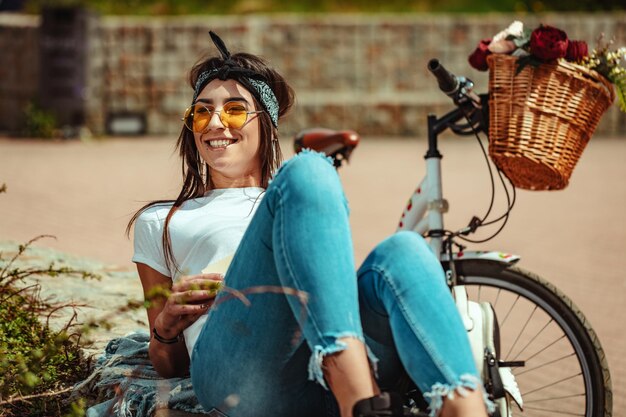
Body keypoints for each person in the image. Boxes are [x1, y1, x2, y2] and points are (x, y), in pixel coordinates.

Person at [129, 31, 492, 417]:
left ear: (264, 122)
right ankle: (352, 386)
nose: (215, 123)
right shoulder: (160, 221)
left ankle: (461, 404)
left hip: (326, 370)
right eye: (201, 111)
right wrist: (167, 325)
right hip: (242, 373)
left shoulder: (293, 197)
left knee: (404, 250)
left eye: (234, 109)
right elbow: (168, 365)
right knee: (309, 169)